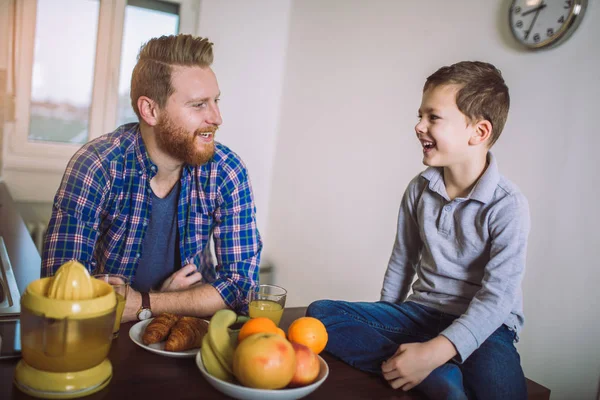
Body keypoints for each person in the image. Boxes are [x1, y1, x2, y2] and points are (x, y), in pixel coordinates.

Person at [307, 61, 530, 400]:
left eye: (433, 117)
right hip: (421, 313)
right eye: (420, 115)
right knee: (320, 316)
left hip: (487, 327)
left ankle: (430, 365)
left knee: (502, 391)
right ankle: (435, 374)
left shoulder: (508, 205)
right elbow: (403, 259)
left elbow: (496, 298)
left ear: (479, 132)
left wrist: (436, 349)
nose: (418, 126)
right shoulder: (419, 188)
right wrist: (386, 314)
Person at [41, 34, 262, 323]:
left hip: (189, 335)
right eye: (198, 105)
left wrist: (149, 302)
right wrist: (163, 300)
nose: (217, 117)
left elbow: (241, 288)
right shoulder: (96, 166)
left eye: (215, 100)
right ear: (150, 110)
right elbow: (61, 294)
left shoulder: (226, 169)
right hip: (107, 340)